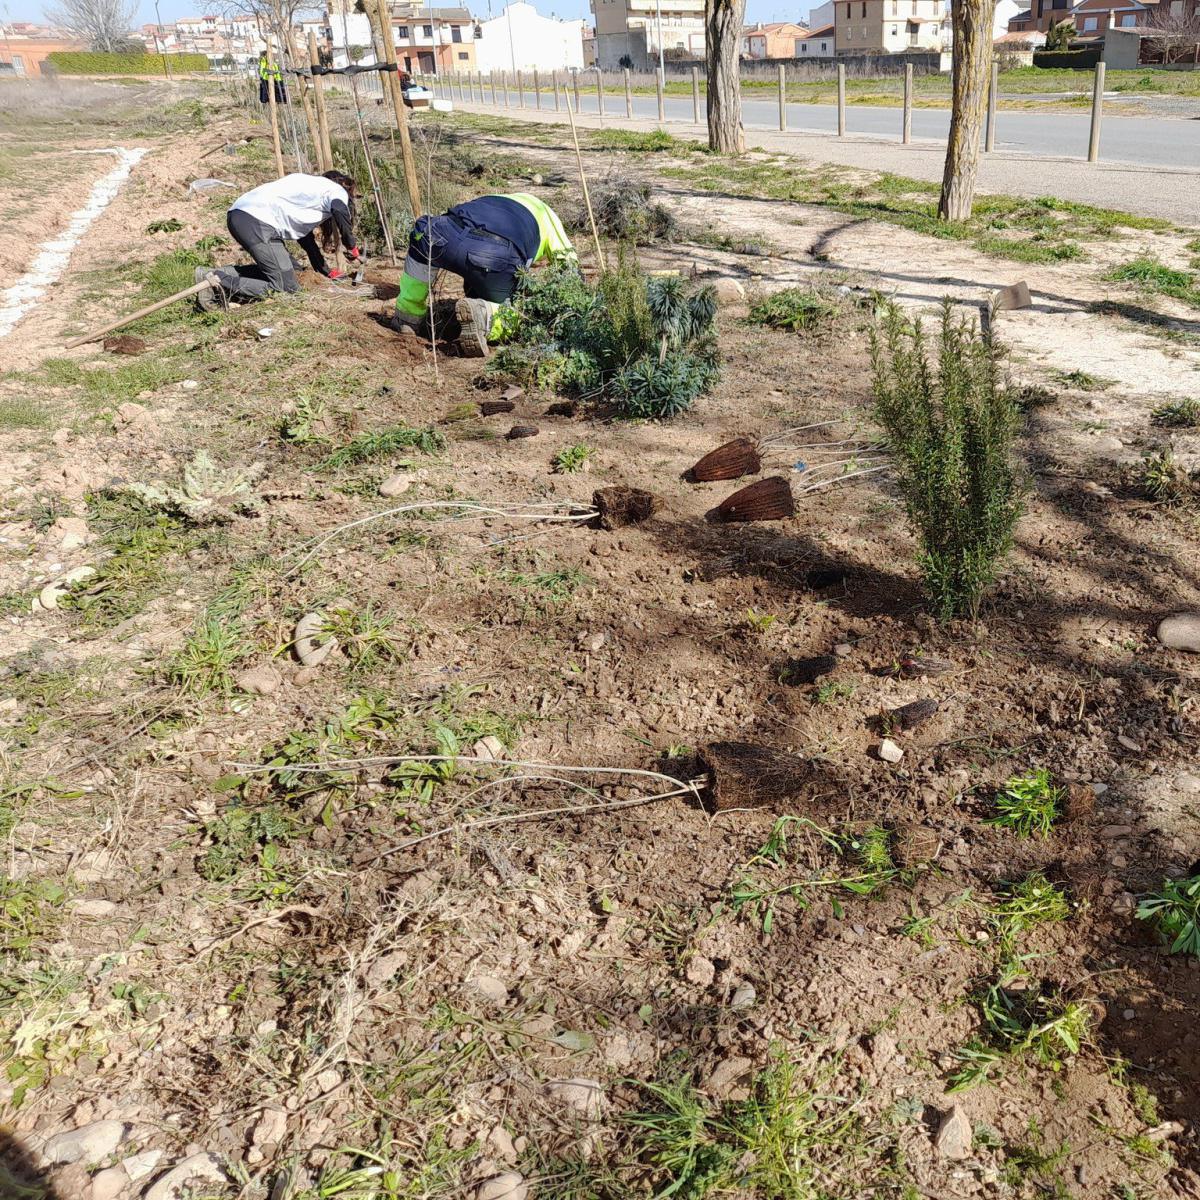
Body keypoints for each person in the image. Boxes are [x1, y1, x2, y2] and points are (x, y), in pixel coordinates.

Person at [392, 192, 575, 357]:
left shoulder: (496, 198)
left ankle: (407, 315)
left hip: (442, 232)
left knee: (423, 237)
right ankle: (485, 316)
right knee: (520, 315)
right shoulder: (547, 216)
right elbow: (569, 265)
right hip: (494, 255)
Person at [196, 171, 361, 310]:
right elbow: (340, 209)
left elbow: (306, 240)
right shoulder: (335, 190)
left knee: (295, 273)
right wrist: (352, 247)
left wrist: (325, 271)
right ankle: (217, 282)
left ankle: (211, 273)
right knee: (286, 288)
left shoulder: (310, 191)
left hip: (244, 217)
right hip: (256, 222)